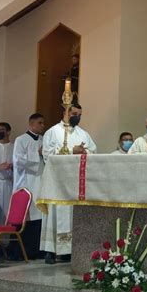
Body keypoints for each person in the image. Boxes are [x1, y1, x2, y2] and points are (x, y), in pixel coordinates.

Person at [41, 104, 96, 264]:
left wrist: (85, 152)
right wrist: (72, 151)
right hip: (57, 181)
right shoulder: (53, 132)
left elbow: (93, 150)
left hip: (75, 181)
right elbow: (47, 154)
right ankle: (50, 251)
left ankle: (68, 250)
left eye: (80, 114)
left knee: (72, 215)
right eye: (74, 113)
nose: (77, 116)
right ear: (65, 112)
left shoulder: (83, 134)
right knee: (54, 213)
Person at [11, 113, 46, 260]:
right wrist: (36, 154)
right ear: (31, 124)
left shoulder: (44, 140)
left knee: (39, 217)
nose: (42, 125)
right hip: (26, 183)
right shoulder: (21, 140)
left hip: (40, 183)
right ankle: (21, 251)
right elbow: (18, 160)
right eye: (40, 123)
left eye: (43, 123)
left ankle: (36, 250)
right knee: (26, 217)